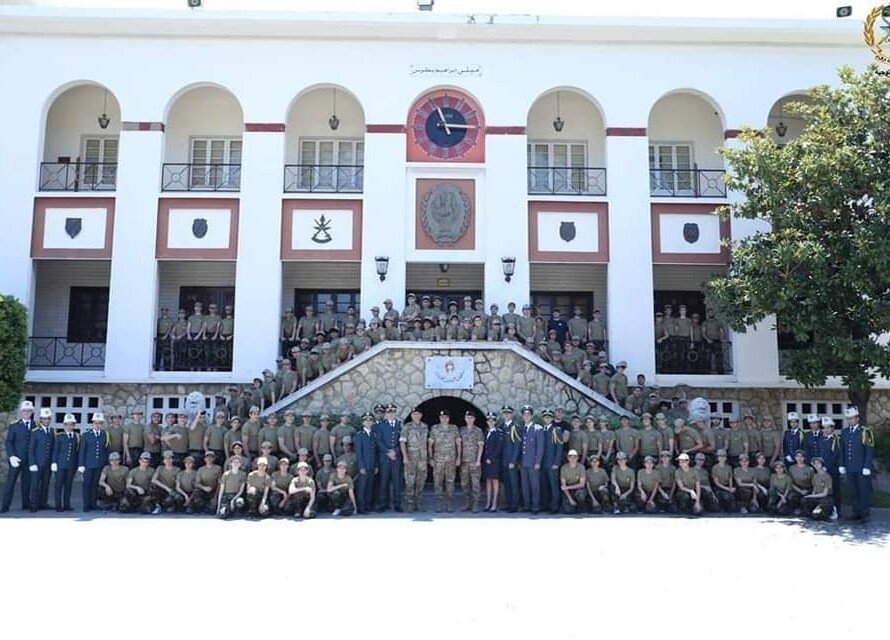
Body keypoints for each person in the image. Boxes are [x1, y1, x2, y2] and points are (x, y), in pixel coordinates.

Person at [839, 407, 874, 522]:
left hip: (861, 468)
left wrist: (867, 466)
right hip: (849, 467)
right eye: (848, 419)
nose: (850, 420)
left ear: (857, 419)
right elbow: (842, 450)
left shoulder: (865, 431)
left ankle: (865, 514)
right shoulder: (844, 432)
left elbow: (869, 450)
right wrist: (842, 464)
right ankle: (856, 512)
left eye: (852, 418)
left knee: (863, 491)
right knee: (853, 491)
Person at [2, 400, 34, 513]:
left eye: (29, 411)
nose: (26, 413)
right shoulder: (14, 425)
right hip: (16, 459)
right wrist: (11, 456)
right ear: (21, 412)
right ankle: (5, 506)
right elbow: (9, 442)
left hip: (29, 460)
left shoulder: (35, 425)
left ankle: (26, 503)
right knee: (10, 483)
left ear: (32, 412)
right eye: (24, 411)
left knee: (27, 483)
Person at [429, 409, 461, 513]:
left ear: (449, 418)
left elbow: (458, 444)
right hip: (438, 461)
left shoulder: (454, 428)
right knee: (437, 483)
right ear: (439, 418)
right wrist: (430, 458)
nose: (444, 419)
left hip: (451, 460)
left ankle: (449, 504)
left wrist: (458, 457)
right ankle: (438, 504)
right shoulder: (434, 428)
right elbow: (430, 444)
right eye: (442, 417)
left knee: (450, 483)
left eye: (446, 417)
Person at [374, 403, 403, 512]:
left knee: (397, 482)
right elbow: (379, 441)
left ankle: (397, 504)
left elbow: (402, 441)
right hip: (384, 457)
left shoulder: (400, 425)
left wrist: (395, 451)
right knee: (384, 481)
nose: (391, 414)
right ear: (386, 413)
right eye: (389, 412)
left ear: (395, 413)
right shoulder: (381, 425)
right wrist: (387, 452)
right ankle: (383, 504)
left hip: (396, 457)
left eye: (393, 411)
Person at [78, 413, 110, 512]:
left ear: (102, 424)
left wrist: (106, 463)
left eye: (99, 423)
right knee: (87, 484)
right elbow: (82, 451)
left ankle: (93, 504)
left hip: (99, 464)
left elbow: (106, 450)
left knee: (95, 484)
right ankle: (86, 505)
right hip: (88, 464)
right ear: (92, 423)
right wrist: (81, 464)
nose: (97, 425)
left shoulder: (104, 434)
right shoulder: (86, 435)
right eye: (96, 423)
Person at [400, 407, 429, 513]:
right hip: (411, 459)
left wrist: (429, 457)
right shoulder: (407, 427)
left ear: (421, 415)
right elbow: (402, 443)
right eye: (414, 414)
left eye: (418, 414)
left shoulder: (425, 427)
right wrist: (405, 457)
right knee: (410, 482)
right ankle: (409, 504)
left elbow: (428, 443)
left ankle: (419, 504)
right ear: (411, 416)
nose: (416, 416)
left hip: (422, 459)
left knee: (421, 482)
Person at [28, 407, 55, 512]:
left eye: (48, 418)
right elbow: (31, 449)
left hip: (47, 464)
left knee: (45, 484)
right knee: (34, 485)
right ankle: (33, 505)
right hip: (37, 464)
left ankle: (43, 503)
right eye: (44, 418)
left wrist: (53, 462)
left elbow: (52, 448)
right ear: (40, 420)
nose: (46, 420)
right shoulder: (35, 432)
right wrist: (32, 463)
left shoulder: (52, 431)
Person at [518, 405, 544, 514]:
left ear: (532, 416)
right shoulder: (521, 428)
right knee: (525, 486)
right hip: (523, 463)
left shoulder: (538, 429)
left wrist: (538, 462)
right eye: (524, 414)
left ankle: (535, 506)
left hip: (533, 463)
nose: (526, 416)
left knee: (535, 486)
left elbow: (540, 447)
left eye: (528, 414)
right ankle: (526, 505)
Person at [52, 414, 80, 511]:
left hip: (71, 465)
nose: (69, 426)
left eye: (71, 424)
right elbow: (55, 450)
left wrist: (78, 465)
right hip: (60, 465)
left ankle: (67, 505)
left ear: (74, 425)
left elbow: (77, 452)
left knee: (68, 485)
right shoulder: (59, 436)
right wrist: (54, 462)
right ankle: (58, 505)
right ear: (64, 425)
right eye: (67, 424)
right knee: (58, 485)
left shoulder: (77, 436)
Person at [540, 409, 565, 514]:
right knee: (544, 485)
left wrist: (556, 463)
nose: (547, 419)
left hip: (552, 463)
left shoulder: (556, 430)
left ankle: (555, 507)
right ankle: (545, 505)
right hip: (543, 463)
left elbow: (559, 448)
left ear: (552, 419)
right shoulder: (541, 430)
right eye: (545, 417)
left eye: (549, 417)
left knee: (554, 486)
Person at [818, 416, 841, 520]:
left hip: (832, 470)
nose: (826, 430)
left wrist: (826, 467)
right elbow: (820, 454)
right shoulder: (822, 439)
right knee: (824, 489)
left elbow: (835, 455)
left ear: (832, 428)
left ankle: (837, 510)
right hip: (822, 470)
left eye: (828, 427)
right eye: (824, 427)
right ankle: (826, 509)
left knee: (835, 490)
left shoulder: (836, 440)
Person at [354, 412, 376, 514]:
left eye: (370, 420)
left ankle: (368, 506)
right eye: (366, 420)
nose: (368, 422)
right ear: (363, 422)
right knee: (362, 487)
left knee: (370, 487)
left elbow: (375, 452)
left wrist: (376, 465)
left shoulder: (373, 434)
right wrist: (361, 467)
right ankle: (361, 507)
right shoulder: (359, 435)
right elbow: (358, 453)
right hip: (364, 465)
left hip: (372, 465)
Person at [500, 406, 521, 513]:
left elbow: (517, 446)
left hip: (512, 462)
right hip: (504, 462)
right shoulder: (502, 427)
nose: (506, 415)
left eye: (508, 413)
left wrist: (513, 461)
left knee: (514, 484)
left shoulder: (515, 427)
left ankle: (514, 505)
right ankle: (509, 504)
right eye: (505, 413)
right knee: (507, 484)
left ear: (512, 414)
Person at [482, 411, 503, 512]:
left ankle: (494, 503)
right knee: (488, 481)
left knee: (495, 481)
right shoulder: (485, 432)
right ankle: (488, 503)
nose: (491, 422)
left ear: (495, 421)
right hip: (486, 461)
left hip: (494, 461)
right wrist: (485, 459)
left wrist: (491, 458)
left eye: (493, 420)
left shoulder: (498, 432)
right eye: (489, 420)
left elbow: (499, 448)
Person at [217, 455, 247, 519]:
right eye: (234, 462)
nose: (236, 464)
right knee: (223, 515)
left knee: (240, 502)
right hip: (227, 496)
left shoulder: (243, 474)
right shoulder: (226, 474)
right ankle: (227, 510)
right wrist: (218, 507)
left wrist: (233, 500)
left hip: (237, 496)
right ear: (231, 463)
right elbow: (221, 491)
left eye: (237, 462)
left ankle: (236, 511)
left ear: (240, 464)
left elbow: (241, 491)